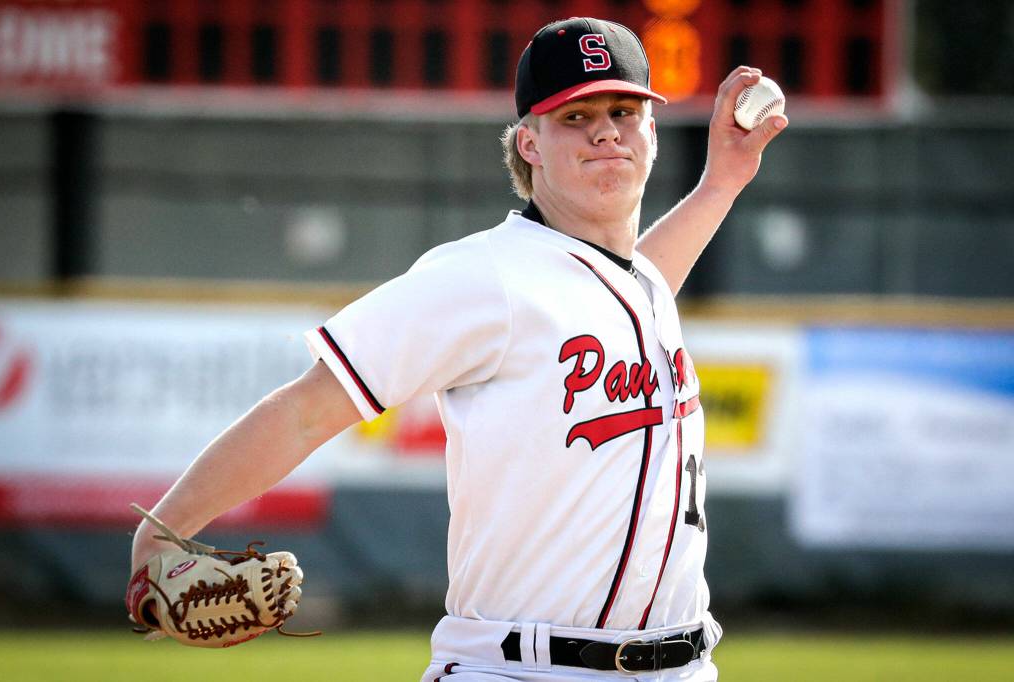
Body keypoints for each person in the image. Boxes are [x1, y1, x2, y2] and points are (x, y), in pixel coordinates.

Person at [129, 16, 786, 681]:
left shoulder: (637, 286)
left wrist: (721, 182)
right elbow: (306, 408)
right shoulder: (485, 276)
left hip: (683, 666)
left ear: (650, 129)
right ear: (528, 143)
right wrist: (159, 533)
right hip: (523, 668)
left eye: (623, 109)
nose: (606, 130)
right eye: (574, 116)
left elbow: (623, 287)